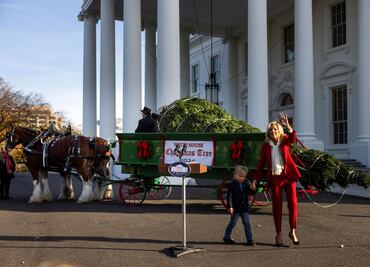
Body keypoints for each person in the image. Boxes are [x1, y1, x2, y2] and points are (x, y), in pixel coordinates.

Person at [253, 112, 301, 247]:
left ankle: (292, 231)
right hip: (275, 178)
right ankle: (278, 234)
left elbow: (292, 138)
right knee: (277, 207)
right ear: (268, 133)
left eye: (275, 129)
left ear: (279, 131)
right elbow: (261, 164)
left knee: (293, 203)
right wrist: (256, 179)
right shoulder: (266, 146)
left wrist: (288, 127)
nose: (273, 131)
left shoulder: (284, 140)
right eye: (270, 130)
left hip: (288, 176)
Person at [223, 165, 256, 246]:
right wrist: (230, 206)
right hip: (236, 209)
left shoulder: (246, 184)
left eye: (243, 176)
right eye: (240, 176)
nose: (241, 178)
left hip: (244, 209)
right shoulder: (232, 185)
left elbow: (250, 192)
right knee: (232, 223)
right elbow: (229, 197)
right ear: (235, 175)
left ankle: (249, 239)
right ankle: (226, 237)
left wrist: (253, 188)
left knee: (247, 224)